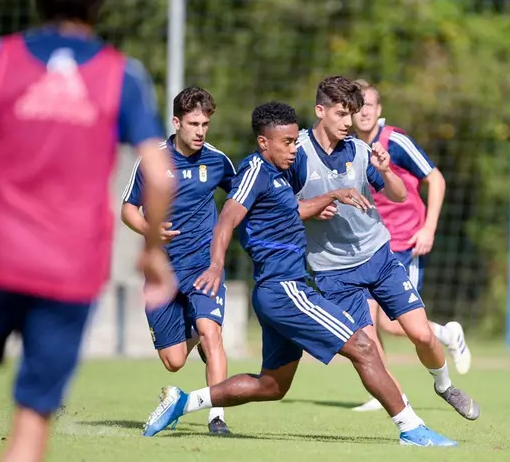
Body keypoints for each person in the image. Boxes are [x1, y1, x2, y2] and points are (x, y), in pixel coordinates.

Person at [141, 101, 457, 447]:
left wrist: (332, 195)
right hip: (285, 289)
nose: (294, 149)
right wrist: (216, 264)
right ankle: (411, 428)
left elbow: (293, 210)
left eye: (295, 141)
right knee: (364, 347)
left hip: (279, 293)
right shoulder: (255, 171)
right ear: (264, 143)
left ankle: (183, 402)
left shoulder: (277, 177)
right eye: (287, 143)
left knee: (272, 386)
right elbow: (228, 218)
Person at [0, 0, 176, 461]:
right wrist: (153, 253)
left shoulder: (0, 58)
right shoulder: (123, 74)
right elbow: (160, 176)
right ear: (100, 5)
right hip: (67, 269)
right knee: (31, 422)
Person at [288, 76, 480, 421]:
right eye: (341, 115)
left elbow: (399, 194)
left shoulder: (362, 151)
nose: (349, 123)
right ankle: (407, 419)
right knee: (368, 350)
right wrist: (316, 206)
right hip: (333, 271)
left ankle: (444, 386)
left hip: (378, 256)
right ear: (320, 111)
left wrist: (386, 171)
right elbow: (280, 207)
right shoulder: (296, 152)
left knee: (420, 334)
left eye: (353, 114)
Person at [348, 79, 471, 413]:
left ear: (379, 109)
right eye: (358, 105)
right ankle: (389, 393)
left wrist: (429, 228)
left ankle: (446, 334)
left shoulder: (395, 140)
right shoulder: (348, 146)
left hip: (405, 241)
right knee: (367, 322)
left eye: (370, 104)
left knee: (392, 323)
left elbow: (436, 178)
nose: (364, 111)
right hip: (370, 245)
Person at [121, 86, 235, 432]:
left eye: (205, 124)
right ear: (176, 122)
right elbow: (128, 209)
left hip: (204, 267)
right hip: (163, 273)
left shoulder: (217, 161)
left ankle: (217, 418)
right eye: (194, 123)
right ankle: (198, 333)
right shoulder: (153, 160)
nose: (201, 131)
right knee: (173, 362)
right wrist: (150, 231)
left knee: (210, 331)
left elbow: (242, 197)